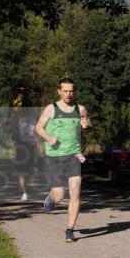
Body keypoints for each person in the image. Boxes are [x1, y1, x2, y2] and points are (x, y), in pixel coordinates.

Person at [35, 78, 92, 243]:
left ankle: (69, 230)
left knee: (76, 191)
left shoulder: (80, 109)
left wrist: (87, 125)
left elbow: (87, 126)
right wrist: (48, 137)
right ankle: (52, 197)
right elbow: (38, 127)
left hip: (74, 155)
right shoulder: (51, 109)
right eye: (65, 91)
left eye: (71, 91)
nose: (68, 94)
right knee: (60, 195)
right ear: (59, 91)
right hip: (55, 157)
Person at [10, 86, 37, 201]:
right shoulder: (14, 104)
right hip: (19, 138)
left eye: (23, 92)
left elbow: (34, 122)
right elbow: (12, 120)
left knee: (30, 167)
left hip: (30, 138)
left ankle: (24, 187)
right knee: (22, 165)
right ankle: (23, 191)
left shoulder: (28, 106)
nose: (21, 94)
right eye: (19, 92)